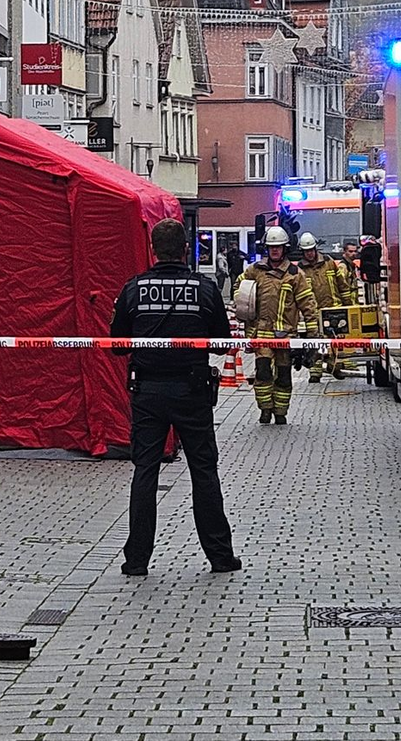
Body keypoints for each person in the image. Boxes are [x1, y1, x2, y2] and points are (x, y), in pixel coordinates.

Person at [110, 218, 242, 577]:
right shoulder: (204, 288)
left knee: (145, 472)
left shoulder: (134, 289)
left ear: (153, 250)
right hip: (192, 391)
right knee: (204, 471)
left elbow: (118, 345)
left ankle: (136, 560)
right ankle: (219, 556)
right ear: (186, 248)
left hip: (148, 392)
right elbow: (221, 340)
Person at [234, 226, 321, 424]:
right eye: (271, 247)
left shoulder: (294, 274)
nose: (275, 250)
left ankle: (281, 412)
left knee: (283, 375)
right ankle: (265, 410)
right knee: (263, 372)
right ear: (266, 248)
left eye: (278, 247)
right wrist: (241, 303)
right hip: (262, 333)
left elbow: (308, 304)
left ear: (285, 248)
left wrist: (312, 334)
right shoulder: (255, 270)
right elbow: (239, 287)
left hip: (285, 335)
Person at [298, 233, 358, 383]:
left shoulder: (329, 262)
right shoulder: (300, 270)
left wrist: (348, 306)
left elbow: (342, 285)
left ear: (315, 248)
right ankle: (315, 372)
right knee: (315, 340)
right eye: (306, 251)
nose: (309, 253)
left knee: (335, 341)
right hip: (314, 312)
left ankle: (335, 367)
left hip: (334, 308)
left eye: (311, 250)